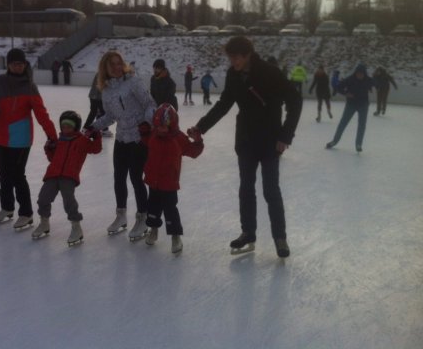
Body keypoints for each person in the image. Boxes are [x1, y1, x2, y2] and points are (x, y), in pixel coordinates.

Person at [188, 36, 302, 258]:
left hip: (270, 141)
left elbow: (295, 101)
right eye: (230, 58)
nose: (233, 62)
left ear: (248, 54)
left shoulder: (270, 72)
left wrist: (285, 135)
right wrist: (201, 127)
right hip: (246, 140)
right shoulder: (233, 75)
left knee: (271, 190)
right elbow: (224, 105)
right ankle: (248, 233)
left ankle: (280, 238)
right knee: (246, 189)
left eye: (236, 57)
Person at [0, 48, 58, 230]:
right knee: (4, 174)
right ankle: (7, 208)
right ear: (8, 65)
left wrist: (52, 135)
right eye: (15, 64)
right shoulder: (1, 81)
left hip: (21, 138)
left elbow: (41, 113)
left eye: (21, 64)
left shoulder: (29, 86)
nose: (18, 67)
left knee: (17, 175)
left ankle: (26, 213)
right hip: (2, 136)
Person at [86, 50, 156, 241]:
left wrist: (147, 122)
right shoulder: (106, 89)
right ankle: (121, 215)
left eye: (119, 63)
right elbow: (110, 116)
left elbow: (150, 104)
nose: (117, 67)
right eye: (112, 64)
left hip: (139, 137)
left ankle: (143, 217)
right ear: (105, 68)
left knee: (136, 178)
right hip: (121, 137)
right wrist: (93, 127)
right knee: (119, 178)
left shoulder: (133, 82)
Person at [32, 111, 102, 245]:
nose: (66, 128)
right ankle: (44, 223)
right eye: (63, 126)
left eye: (69, 126)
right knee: (43, 198)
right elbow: (52, 158)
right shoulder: (59, 141)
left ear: (76, 127)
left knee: (69, 201)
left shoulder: (82, 141)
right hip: (53, 174)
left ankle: (76, 227)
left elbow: (96, 149)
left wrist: (96, 136)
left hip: (69, 176)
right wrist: (49, 149)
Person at [142, 103, 204, 254]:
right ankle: (153, 230)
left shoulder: (179, 138)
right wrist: (143, 131)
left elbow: (193, 152)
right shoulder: (153, 135)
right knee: (152, 208)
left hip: (169, 182)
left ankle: (175, 237)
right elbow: (145, 140)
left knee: (170, 210)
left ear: (173, 124)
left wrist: (197, 141)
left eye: (164, 126)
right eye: (158, 126)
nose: (161, 129)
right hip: (153, 181)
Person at [326, 64, 374, 153]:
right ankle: (334, 141)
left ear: (364, 73)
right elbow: (338, 87)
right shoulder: (350, 79)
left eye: (361, 73)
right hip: (351, 104)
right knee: (343, 123)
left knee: (362, 125)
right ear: (355, 72)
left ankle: (358, 144)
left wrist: (379, 80)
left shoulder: (368, 80)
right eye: (358, 73)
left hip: (363, 105)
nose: (359, 75)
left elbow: (377, 83)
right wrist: (345, 93)